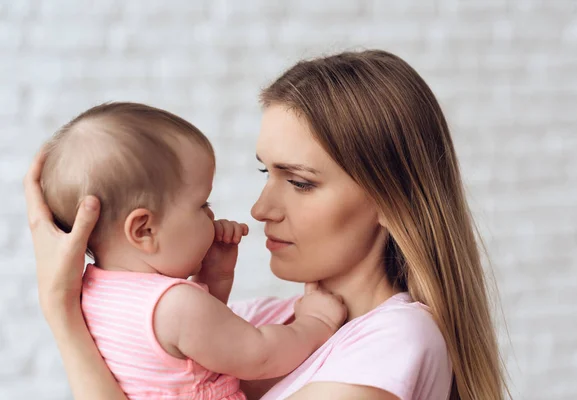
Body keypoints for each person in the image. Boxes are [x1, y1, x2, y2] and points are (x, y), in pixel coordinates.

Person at [26, 50, 509, 399]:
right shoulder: (257, 319)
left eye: (298, 182)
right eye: (266, 171)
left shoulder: (396, 343)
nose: (260, 209)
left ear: (392, 198)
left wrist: (65, 317)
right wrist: (64, 310)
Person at [38, 102, 347, 399]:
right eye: (202, 205)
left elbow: (183, 359)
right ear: (144, 230)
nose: (211, 218)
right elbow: (259, 357)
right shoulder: (176, 305)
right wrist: (315, 323)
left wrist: (213, 278)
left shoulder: (92, 294)